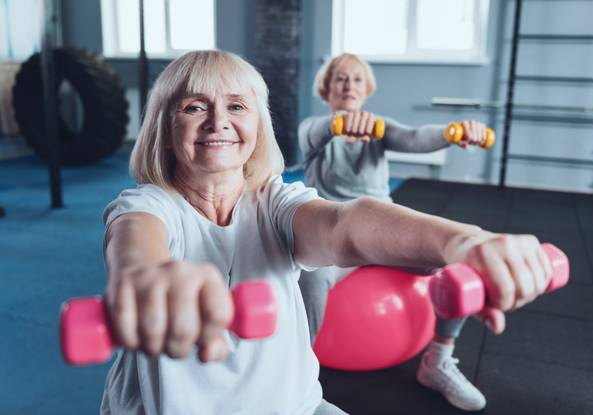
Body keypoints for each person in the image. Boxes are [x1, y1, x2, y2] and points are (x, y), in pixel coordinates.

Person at [100, 50, 552, 415]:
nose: (218, 120)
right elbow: (136, 245)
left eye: (236, 106)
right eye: (195, 106)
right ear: (164, 123)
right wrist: (150, 277)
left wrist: (465, 241)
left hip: (298, 407)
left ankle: (440, 358)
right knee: (317, 280)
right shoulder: (148, 206)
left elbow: (344, 223)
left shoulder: (275, 201)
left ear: (257, 125)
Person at [298, 53, 494, 411]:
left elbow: (417, 137)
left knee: (455, 265)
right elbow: (318, 132)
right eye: (340, 79)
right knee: (311, 276)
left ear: (366, 89)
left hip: (385, 233)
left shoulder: (379, 127)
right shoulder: (312, 127)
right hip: (335, 237)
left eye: (356, 79)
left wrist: (455, 132)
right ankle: (293, 374)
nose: (348, 86)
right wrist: (338, 126)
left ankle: (439, 360)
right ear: (327, 88)